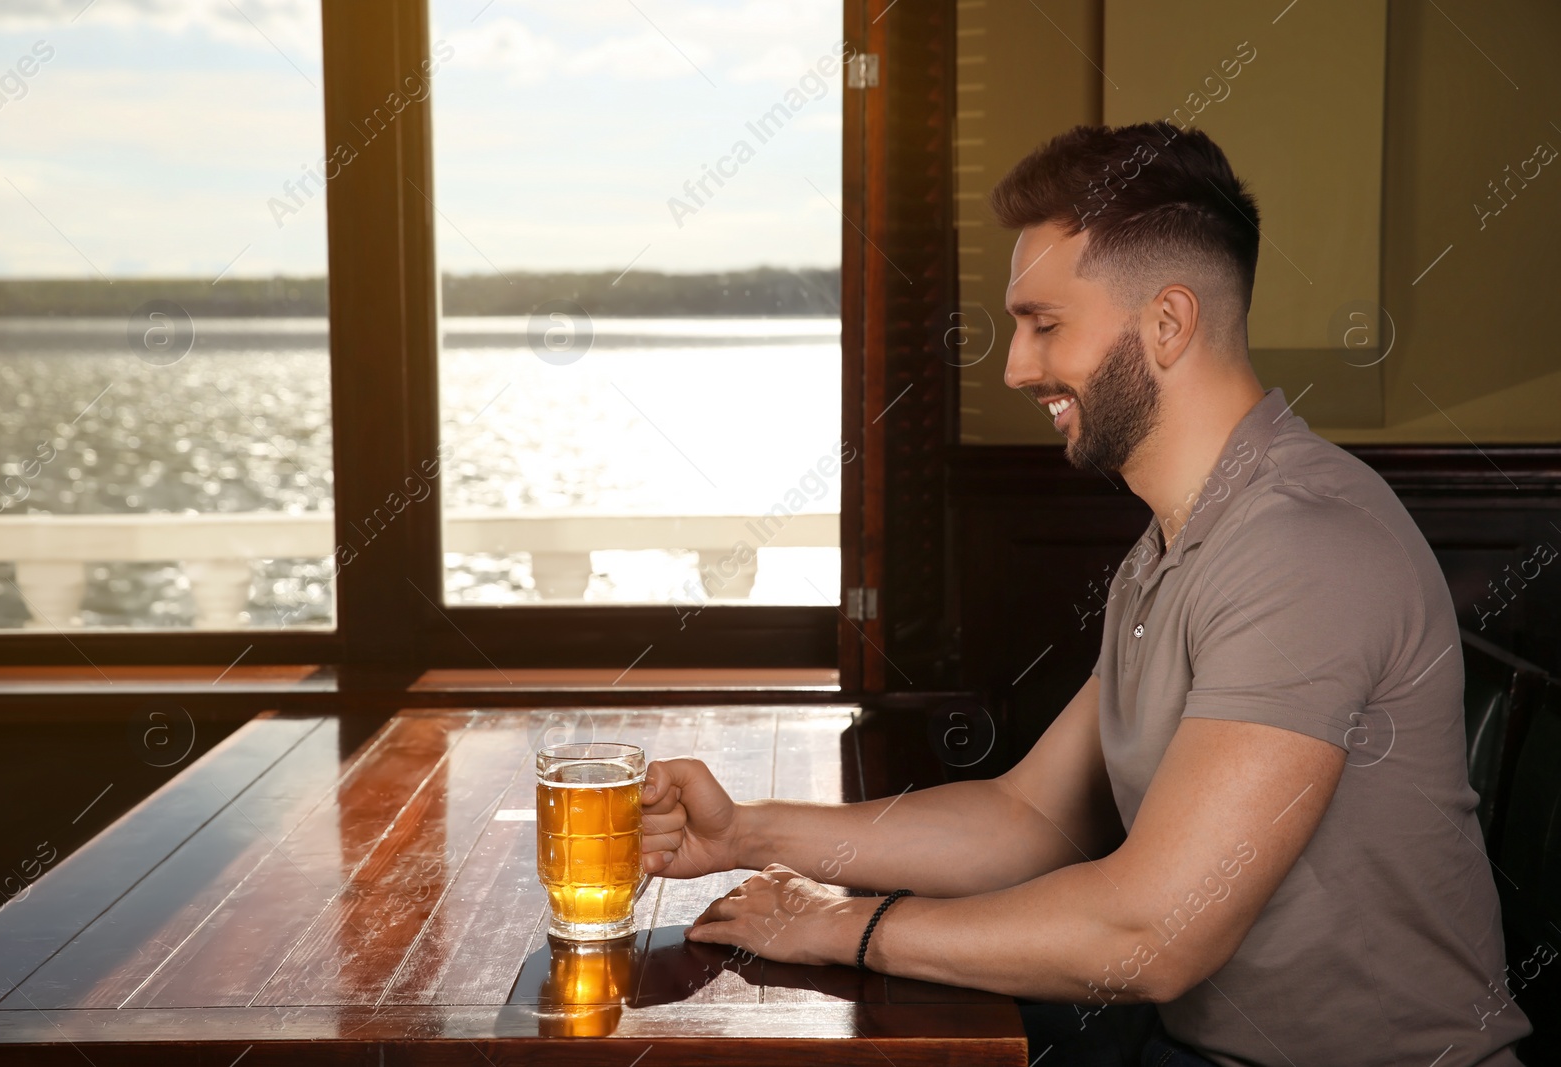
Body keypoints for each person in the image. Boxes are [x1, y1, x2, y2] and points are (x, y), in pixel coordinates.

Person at [639, 122, 1531, 1067]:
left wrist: (842, 925)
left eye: (1044, 324)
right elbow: (1030, 820)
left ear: (1168, 323)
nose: (1018, 366)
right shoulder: (1176, 542)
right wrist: (746, 831)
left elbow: (1150, 934)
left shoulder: (1303, 547)